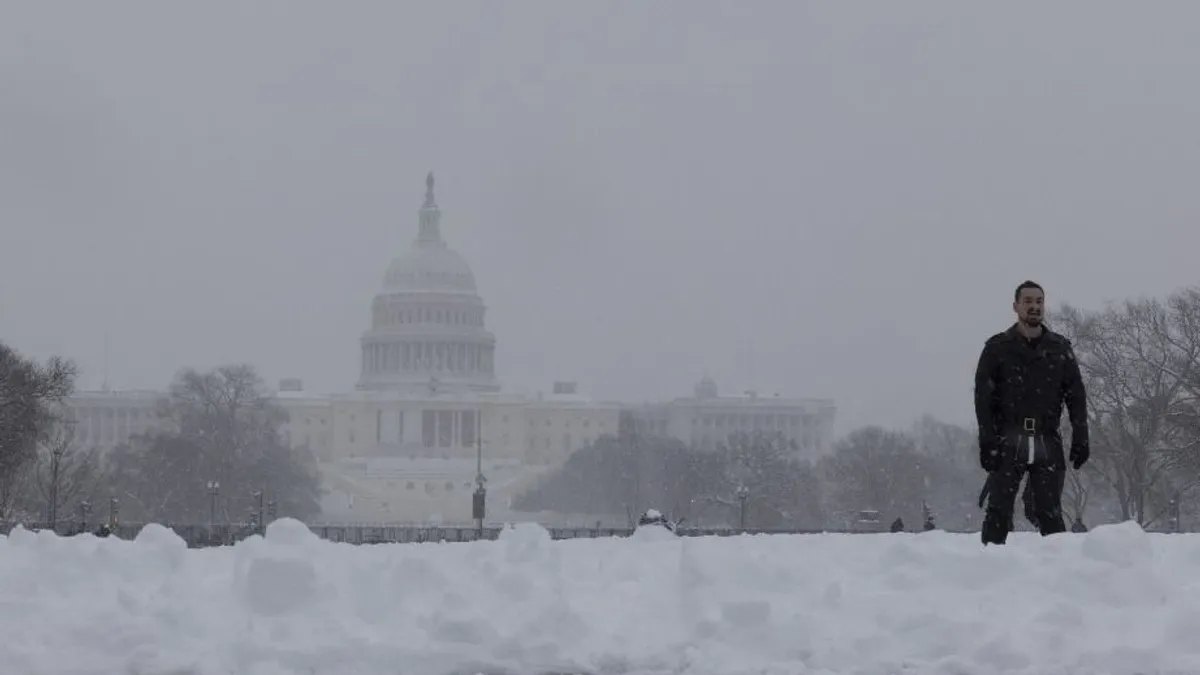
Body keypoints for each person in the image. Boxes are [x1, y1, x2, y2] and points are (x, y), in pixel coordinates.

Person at [974, 280, 1090, 545]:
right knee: (998, 512)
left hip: (1047, 438)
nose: (1034, 307)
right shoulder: (997, 348)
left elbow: (1076, 394)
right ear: (1015, 306)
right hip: (1008, 438)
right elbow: (983, 398)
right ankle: (988, 570)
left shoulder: (1060, 348)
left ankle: (1060, 571)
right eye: (1028, 301)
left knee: (1049, 513)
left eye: (1039, 301)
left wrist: (1081, 435)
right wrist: (987, 439)